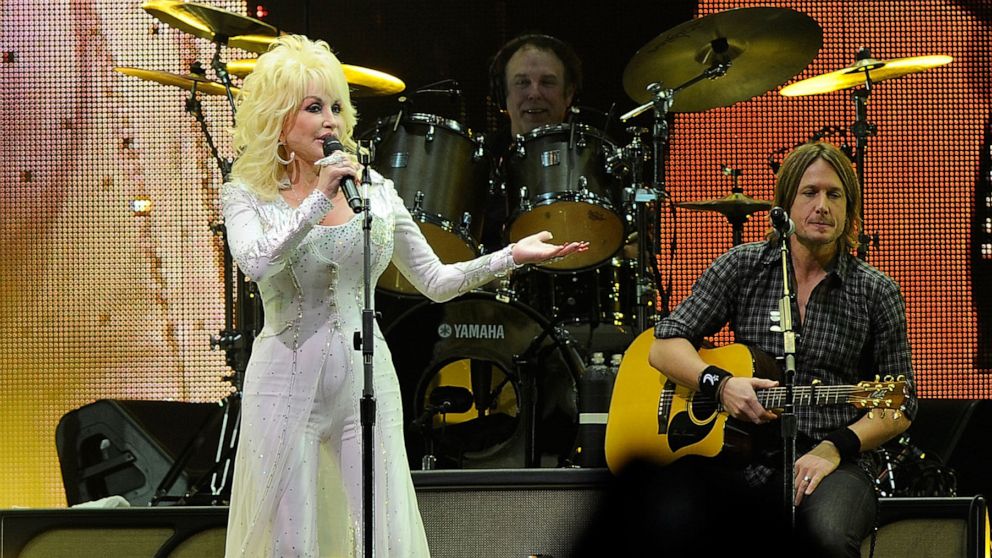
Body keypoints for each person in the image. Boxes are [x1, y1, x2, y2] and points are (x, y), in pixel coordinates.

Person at [220, 35, 587, 558]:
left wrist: (511, 255)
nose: (331, 120)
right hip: (282, 381)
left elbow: (435, 281)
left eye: (336, 107)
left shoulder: (374, 191)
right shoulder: (246, 195)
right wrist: (316, 201)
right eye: (313, 107)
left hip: (364, 380)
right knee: (290, 542)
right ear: (279, 120)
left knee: (381, 532)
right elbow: (257, 260)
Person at [586, 141, 917, 556]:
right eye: (810, 193)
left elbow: (901, 406)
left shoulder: (876, 291)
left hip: (834, 460)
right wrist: (719, 385)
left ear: (849, 209)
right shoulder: (744, 266)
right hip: (737, 456)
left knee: (827, 535)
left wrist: (834, 448)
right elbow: (663, 346)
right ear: (785, 205)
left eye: (835, 195)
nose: (822, 206)